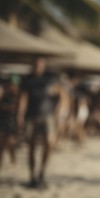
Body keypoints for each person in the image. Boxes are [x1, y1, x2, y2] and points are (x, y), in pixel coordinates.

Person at [17, 57, 59, 188]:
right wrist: (20, 115)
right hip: (31, 115)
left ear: (43, 66)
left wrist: (58, 113)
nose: (37, 67)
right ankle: (32, 176)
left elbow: (61, 95)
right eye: (35, 65)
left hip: (47, 115)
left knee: (49, 143)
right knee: (31, 145)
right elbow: (23, 98)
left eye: (40, 65)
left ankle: (42, 172)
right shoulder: (27, 80)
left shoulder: (50, 78)